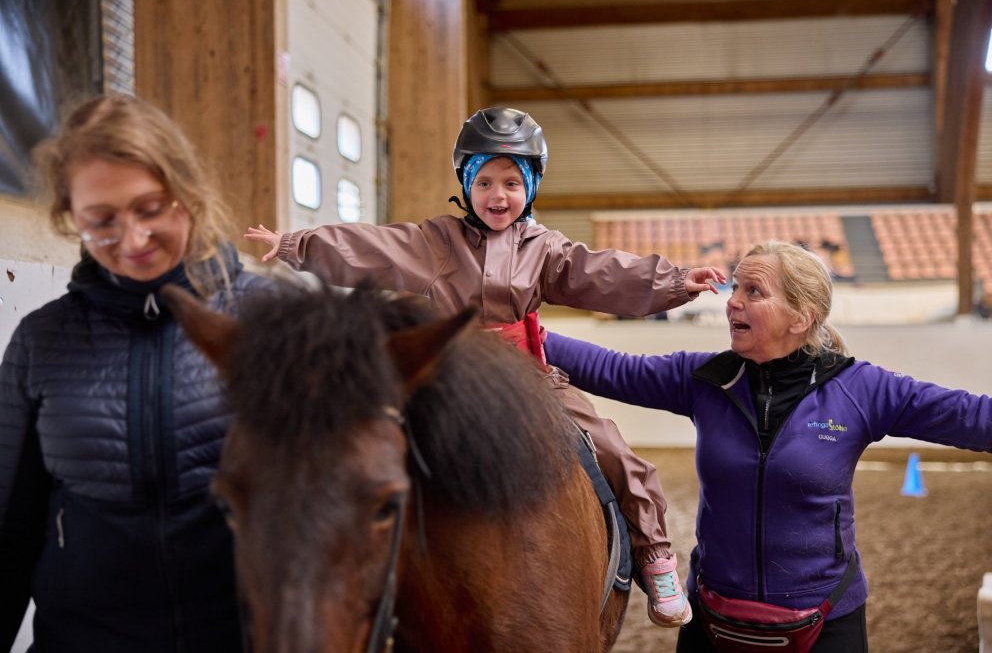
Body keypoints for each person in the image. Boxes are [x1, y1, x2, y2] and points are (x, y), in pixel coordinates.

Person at [244, 107, 726, 627]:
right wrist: (296, 245)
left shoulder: (547, 250)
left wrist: (674, 281)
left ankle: (654, 553)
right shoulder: (435, 242)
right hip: (450, 379)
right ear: (467, 184)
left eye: (513, 182)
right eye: (487, 181)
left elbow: (605, 273)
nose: (499, 195)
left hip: (528, 379)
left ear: (532, 187)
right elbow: (372, 246)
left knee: (609, 445)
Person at [542, 239, 992, 652]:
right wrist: (525, 333)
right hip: (712, 619)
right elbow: (611, 368)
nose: (732, 301)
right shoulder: (706, 380)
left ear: (802, 316)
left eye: (753, 291)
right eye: (735, 287)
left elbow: (970, 417)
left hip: (825, 621)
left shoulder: (861, 389)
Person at [0, 94, 271, 652]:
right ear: (71, 217)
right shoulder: (42, 341)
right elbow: (9, 529)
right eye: (101, 222)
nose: (131, 241)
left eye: (150, 209)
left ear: (187, 193)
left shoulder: (271, 322)